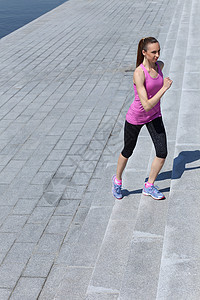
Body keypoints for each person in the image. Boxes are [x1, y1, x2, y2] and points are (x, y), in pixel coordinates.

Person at [112, 37, 173, 200]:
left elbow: (152, 106)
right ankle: (117, 180)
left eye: (158, 51)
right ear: (144, 53)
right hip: (137, 116)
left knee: (162, 152)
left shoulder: (159, 66)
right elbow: (146, 105)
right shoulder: (139, 73)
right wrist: (164, 88)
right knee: (128, 151)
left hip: (154, 116)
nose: (157, 55)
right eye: (153, 52)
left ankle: (149, 185)